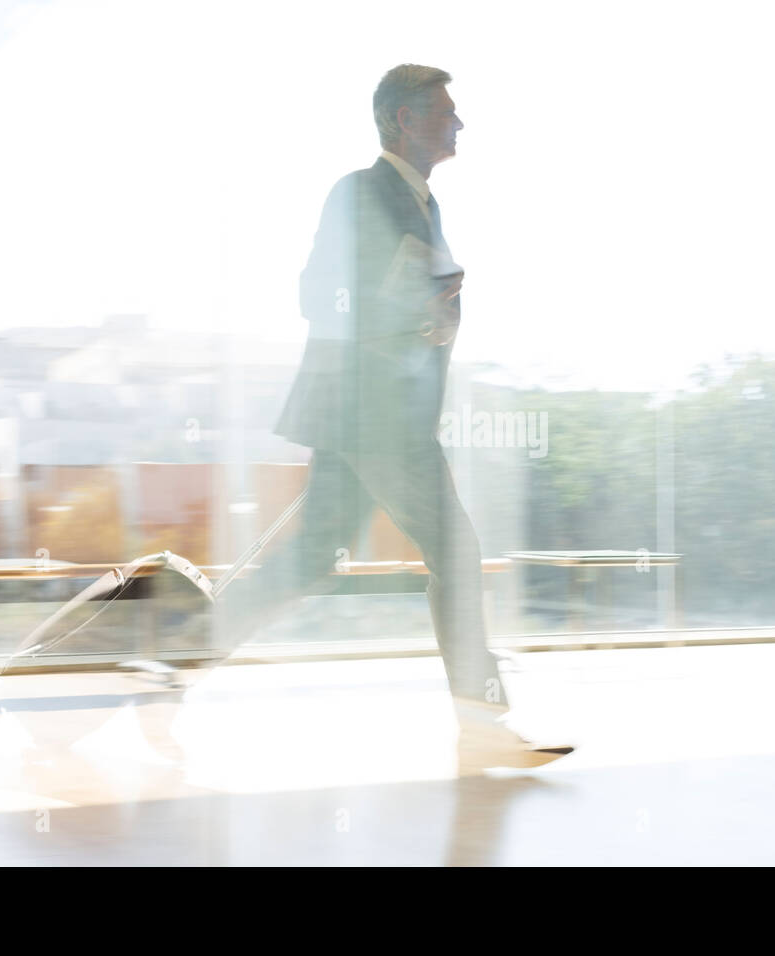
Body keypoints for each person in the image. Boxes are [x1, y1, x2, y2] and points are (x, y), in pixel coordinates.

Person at [218, 64, 572, 765]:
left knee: (307, 562)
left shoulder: (421, 203)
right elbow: (320, 297)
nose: (459, 123)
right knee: (457, 555)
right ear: (405, 120)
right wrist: (418, 307)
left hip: (369, 416)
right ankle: (481, 722)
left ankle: (169, 656)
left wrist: (436, 312)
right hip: (375, 416)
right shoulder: (360, 191)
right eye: (445, 111)